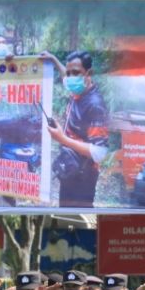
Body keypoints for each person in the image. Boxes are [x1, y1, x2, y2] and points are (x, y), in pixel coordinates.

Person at [41, 50, 108, 208]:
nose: (70, 78)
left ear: (88, 73)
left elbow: (100, 152)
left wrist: (63, 139)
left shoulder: (94, 105)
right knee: (64, 213)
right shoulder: (78, 89)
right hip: (70, 168)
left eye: (76, 73)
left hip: (83, 177)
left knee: (77, 218)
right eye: (69, 73)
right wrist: (53, 59)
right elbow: (66, 77)